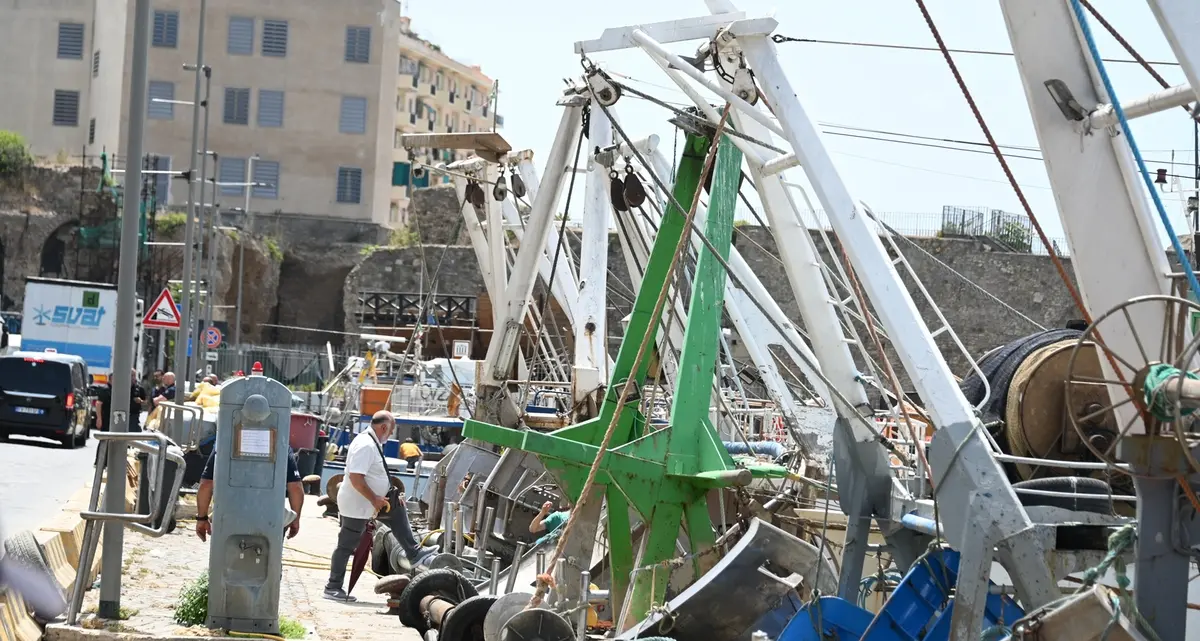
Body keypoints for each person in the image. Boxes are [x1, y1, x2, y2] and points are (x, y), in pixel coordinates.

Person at [325, 411, 433, 602]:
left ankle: (413, 552)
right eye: (390, 431)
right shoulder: (366, 445)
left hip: (368, 502)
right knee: (346, 545)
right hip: (358, 504)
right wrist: (375, 498)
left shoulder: (371, 442)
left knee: (396, 510)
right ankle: (332, 587)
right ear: (383, 427)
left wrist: (388, 494)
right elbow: (356, 478)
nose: (390, 435)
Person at [194, 446, 304, 542]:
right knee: (270, 560)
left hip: (228, 517)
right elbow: (295, 487)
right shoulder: (282, 445)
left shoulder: (223, 443)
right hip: (271, 519)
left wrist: (202, 518)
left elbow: (206, 484)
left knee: (223, 559)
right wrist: (296, 519)